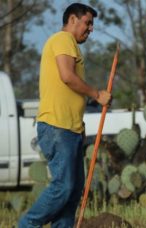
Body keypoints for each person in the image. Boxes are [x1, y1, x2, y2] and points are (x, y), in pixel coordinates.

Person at [19, 3, 111, 228]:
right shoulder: (63, 40)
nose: (90, 29)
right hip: (57, 127)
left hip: (72, 129)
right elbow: (67, 76)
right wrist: (96, 94)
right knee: (64, 186)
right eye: (87, 23)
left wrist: (79, 126)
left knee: (72, 193)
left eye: (92, 25)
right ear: (72, 20)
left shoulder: (72, 46)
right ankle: (26, 225)